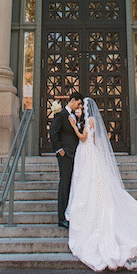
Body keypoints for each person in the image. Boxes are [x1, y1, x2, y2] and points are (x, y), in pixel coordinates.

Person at [64, 97, 137, 271]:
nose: (81, 108)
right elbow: (97, 139)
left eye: (82, 106)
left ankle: (89, 215)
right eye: (80, 106)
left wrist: (75, 127)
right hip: (90, 154)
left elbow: (83, 138)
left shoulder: (88, 121)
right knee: (90, 184)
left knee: (88, 184)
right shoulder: (92, 121)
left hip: (87, 153)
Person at [49, 91, 84, 229]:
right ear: (73, 100)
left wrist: (79, 121)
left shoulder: (74, 116)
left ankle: (69, 214)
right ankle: (61, 217)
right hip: (65, 155)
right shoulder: (61, 115)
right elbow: (53, 132)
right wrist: (59, 150)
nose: (79, 106)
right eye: (79, 103)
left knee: (70, 183)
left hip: (74, 154)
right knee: (64, 184)